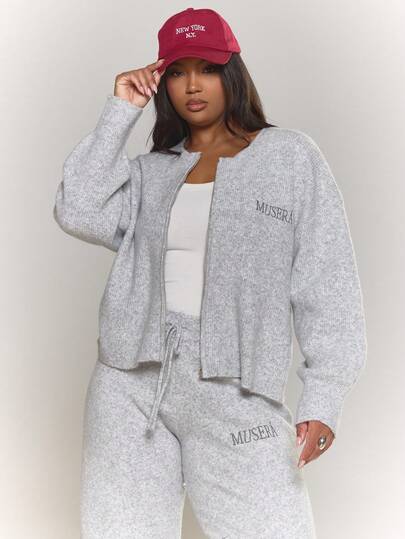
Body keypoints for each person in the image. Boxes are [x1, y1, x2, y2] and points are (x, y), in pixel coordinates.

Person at [53, 7, 367, 538]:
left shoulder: (290, 158)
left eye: (208, 68)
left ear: (232, 73)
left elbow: (327, 282)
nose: (192, 86)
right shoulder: (150, 172)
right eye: (177, 72)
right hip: (129, 386)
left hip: (237, 392)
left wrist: (324, 396)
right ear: (162, 82)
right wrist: (119, 111)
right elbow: (77, 209)